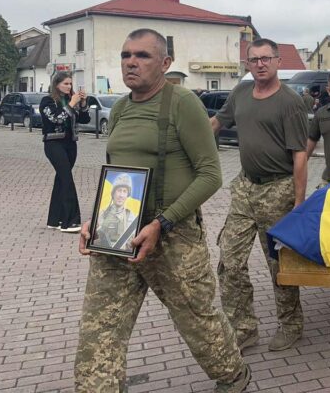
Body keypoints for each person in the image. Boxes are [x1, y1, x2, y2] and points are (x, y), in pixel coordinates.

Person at [75, 29, 250, 393]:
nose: (131, 62)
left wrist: (162, 221)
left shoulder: (183, 103)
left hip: (174, 237)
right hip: (119, 233)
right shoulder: (121, 108)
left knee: (199, 322)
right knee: (99, 330)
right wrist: (97, 217)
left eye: (142, 55)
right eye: (125, 55)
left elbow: (210, 174)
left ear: (165, 63)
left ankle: (233, 376)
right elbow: (119, 173)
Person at [211, 38, 309, 353]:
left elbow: (300, 155)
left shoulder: (290, 101)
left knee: (278, 263)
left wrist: (298, 203)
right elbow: (216, 122)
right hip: (245, 187)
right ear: (248, 64)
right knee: (230, 261)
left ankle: (291, 325)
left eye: (266, 58)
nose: (260, 64)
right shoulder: (240, 93)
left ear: (278, 61)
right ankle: (243, 329)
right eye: (254, 60)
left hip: (278, 189)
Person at [40, 71, 90, 233]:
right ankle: (70, 221)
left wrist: (82, 104)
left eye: (70, 84)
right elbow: (56, 119)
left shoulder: (71, 99)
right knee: (67, 179)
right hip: (53, 143)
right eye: (65, 84)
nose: (69, 87)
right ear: (57, 85)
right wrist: (71, 105)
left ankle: (54, 219)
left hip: (70, 144)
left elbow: (85, 120)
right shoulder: (47, 101)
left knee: (61, 180)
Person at [93, 173, 138, 251]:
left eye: (124, 191)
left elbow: (133, 241)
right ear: (113, 193)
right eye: (119, 190)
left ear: (127, 195)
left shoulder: (131, 216)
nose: (121, 195)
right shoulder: (102, 213)